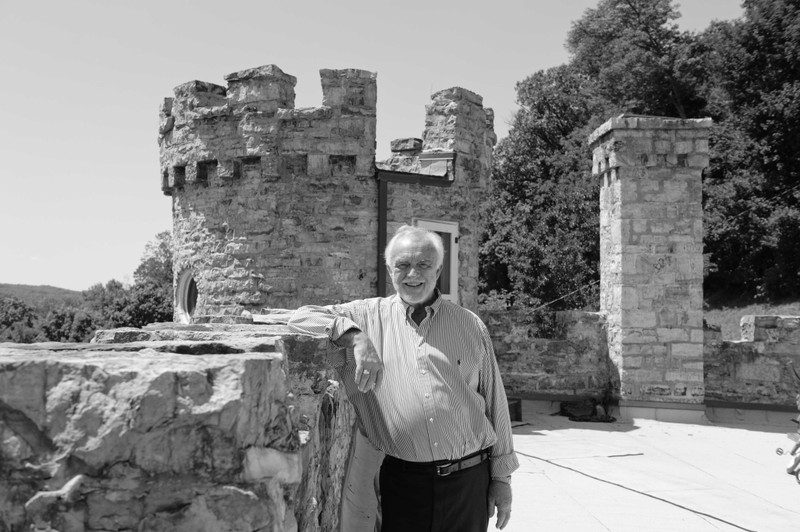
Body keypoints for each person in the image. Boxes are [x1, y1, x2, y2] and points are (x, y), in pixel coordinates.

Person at [289, 225, 518, 531]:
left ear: (438, 269)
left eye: (423, 264)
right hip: (402, 484)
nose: (413, 274)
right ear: (389, 270)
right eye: (403, 265)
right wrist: (356, 338)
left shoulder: (469, 325)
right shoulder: (367, 317)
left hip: (470, 482)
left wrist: (501, 479)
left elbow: (496, 405)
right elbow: (300, 318)